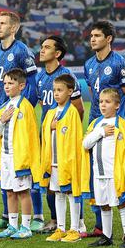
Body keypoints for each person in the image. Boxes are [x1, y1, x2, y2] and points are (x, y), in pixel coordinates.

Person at [84, 21, 125, 239]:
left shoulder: (119, 63)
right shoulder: (88, 64)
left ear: (109, 39)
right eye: (91, 36)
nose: (93, 39)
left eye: (97, 35)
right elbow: (94, 95)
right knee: (97, 174)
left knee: (121, 177)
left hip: (115, 126)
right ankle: (101, 228)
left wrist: (119, 122)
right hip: (96, 123)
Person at [0, 12, 39, 232]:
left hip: (18, 112)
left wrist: (22, 110)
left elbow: (33, 83)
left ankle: (34, 217)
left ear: (14, 28)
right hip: (3, 111)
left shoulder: (22, 51)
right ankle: (8, 217)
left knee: (23, 170)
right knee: (6, 171)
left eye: (3, 23)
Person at [35, 35, 84, 235]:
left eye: (46, 47)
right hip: (48, 133)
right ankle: (56, 220)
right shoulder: (39, 77)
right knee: (50, 179)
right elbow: (42, 106)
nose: (41, 50)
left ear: (57, 53)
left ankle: (77, 223)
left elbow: (79, 109)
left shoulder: (67, 76)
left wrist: (66, 132)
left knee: (69, 179)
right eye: (41, 46)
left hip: (64, 136)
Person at [0, 68, 41, 240]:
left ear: (21, 86)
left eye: (11, 83)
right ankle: (12, 225)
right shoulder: (4, 107)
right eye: (5, 83)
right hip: (5, 157)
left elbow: (32, 135)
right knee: (9, 191)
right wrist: (2, 120)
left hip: (19, 158)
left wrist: (29, 159)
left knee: (22, 192)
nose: (6, 86)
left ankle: (26, 226)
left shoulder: (25, 107)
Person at [82, 88, 125, 248]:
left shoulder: (122, 125)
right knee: (103, 204)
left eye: (108, 102)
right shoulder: (96, 124)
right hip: (98, 173)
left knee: (121, 203)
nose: (103, 105)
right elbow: (85, 144)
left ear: (117, 105)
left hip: (115, 174)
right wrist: (101, 132)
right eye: (101, 102)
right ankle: (107, 236)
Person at [42, 74, 86, 243]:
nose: (56, 93)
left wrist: (56, 126)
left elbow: (74, 137)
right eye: (54, 90)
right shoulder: (51, 112)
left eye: (60, 90)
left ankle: (75, 229)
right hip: (53, 162)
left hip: (67, 162)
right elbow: (46, 133)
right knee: (58, 194)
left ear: (70, 91)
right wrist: (51, 127)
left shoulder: (72, 113)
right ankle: (61, 228)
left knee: (71, 193)